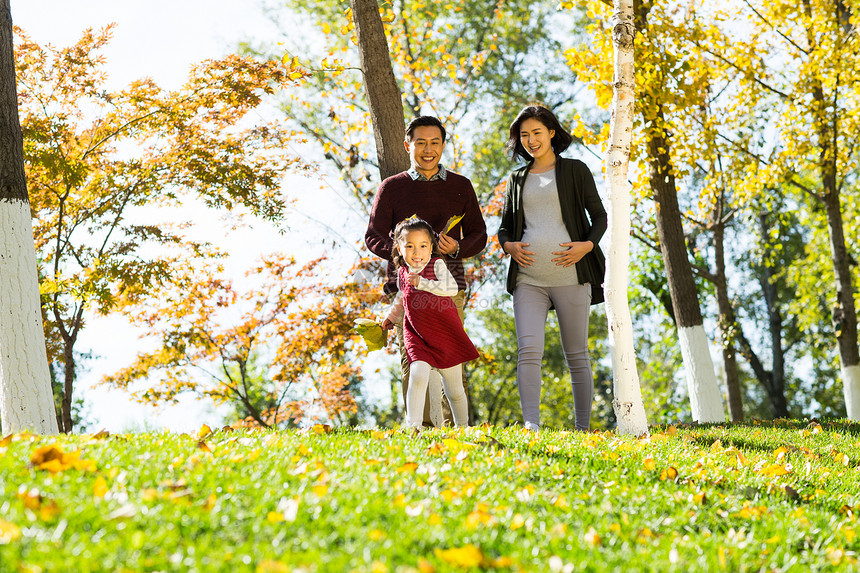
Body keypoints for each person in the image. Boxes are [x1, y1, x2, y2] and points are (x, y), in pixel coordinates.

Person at [365, 116, 487, 426]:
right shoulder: (392, 188)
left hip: (450, 288)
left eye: (434, 143)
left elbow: (479, 234)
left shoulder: (461, 186)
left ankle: (451, 428)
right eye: (420, 143)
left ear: (443, 145)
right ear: (408, 145)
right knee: (414, 359)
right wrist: (400, 256)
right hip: (409, 289)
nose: (427, 150)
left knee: (448, 359)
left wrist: (455, 248)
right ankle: (417, 431)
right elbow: (373, 236)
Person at [497, 105, 607, 432]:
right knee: (528, 349)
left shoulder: (576, 170)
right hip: (528, 280)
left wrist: (587, 246)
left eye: (537, 133)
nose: (531, 140)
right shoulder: (516, 179)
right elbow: (505, 228)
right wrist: (508, 245)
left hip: (572, 277)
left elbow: (599, 217)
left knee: (577, 355)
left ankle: (583, 429)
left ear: (552, 133)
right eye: (525, 135)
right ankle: (531, 424)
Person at [381, 217, 477, 429]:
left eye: (423, 246)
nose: (417, 253)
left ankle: (463, 426)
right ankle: (413, 426)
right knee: (417, 373)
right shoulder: (403, 273)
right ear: (399, 248)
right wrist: (390, 316)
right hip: (417, 334)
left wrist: (423, 282)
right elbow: (401, 298)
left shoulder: (437, 264)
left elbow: (451, 289)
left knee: (454, 389)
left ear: (431, 247)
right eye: (409, 246)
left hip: (444, 333)